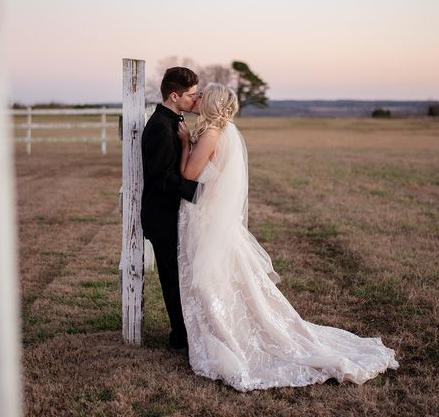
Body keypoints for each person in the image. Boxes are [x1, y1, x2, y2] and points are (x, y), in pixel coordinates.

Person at [175, 83, 399, 391]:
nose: (196, 98)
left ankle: (225, 332)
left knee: (213, 278)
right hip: (210, 216)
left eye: (201, 96)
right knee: (223, 277)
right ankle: (217, 326)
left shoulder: (211, 135)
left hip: (206, 218)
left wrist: (186, 144)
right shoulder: (222, 132)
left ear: (210, 103)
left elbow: (188, 175)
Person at [140, 67, 201, 355]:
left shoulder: (172, 121)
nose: (195, 99)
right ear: (174, 96)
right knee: (172, 277)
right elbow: (163, 177)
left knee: (182, 275)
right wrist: (199, 192)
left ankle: (186, 331)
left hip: (173, 214)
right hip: (162, 217)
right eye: (191, 95)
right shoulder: (160, 128)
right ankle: (180, 336)